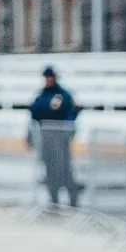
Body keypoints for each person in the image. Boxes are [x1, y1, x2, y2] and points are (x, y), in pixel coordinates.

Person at [28, 64, 82, 206]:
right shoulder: (41, 97)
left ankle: (73, 200)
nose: (48, 80)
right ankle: (54, 200)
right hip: (47, 141)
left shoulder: (63, 95)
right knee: (50, 172)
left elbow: (72, 112)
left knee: (66, 171)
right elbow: (34, 116)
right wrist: (30, 136)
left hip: (60, 141)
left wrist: (68, 132)